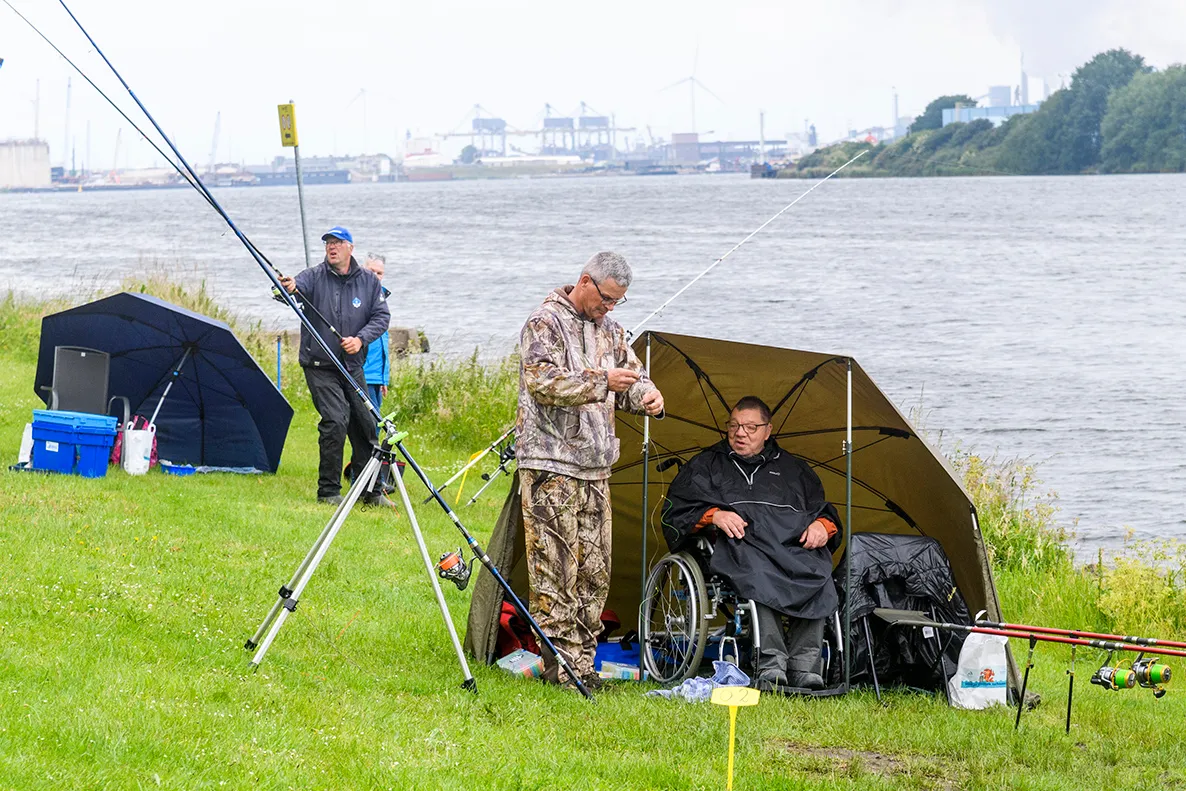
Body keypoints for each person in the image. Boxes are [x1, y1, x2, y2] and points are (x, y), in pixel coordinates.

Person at [517, 250, 664, 691]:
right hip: (550, 467)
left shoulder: (612, 331)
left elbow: (634, 378)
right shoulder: (544, 322)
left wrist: (649, 396)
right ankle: (559, 669)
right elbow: (542, 382)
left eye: (618, 302)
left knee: (593, 574)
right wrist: (602, 381)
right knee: (555, 571)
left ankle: (583, 666)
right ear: (584, 282)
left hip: (596, 469)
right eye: (606, 299)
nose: (610, 308)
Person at [661, 395, 842, 691]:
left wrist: (824, 526)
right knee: (757, 574)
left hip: (793, 545)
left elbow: (823, 509)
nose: (740, 433)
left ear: (768, 430)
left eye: (749, 427)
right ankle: (771, 662)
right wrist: (713, 514)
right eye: (733, 426)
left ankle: (806, 665)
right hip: (742, 546)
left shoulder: (796, 470)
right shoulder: (706, 465)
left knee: (819, 572)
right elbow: (675, 511)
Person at [279, 226, 392, 507]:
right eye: (328, 242)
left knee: (366, 425)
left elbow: (381, 317)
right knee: (335, 420)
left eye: (338, 242)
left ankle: (370, 493)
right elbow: (290, 290)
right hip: (319, 364)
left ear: (350, 248)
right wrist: (287, 287)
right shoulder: (314, 276)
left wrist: (360, 339)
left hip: (352, 365)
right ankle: (328, 491)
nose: (332, 246)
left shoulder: (369, 281)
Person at [361, 253, 391, 414]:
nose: (375, 276)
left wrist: (383, 378)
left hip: (375, 375)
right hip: (362, 373)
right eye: (371, 271)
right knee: (368, 423)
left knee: (375, 421)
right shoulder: (357, 298)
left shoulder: (380, 300)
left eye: (379, 273)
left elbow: (381, 344)